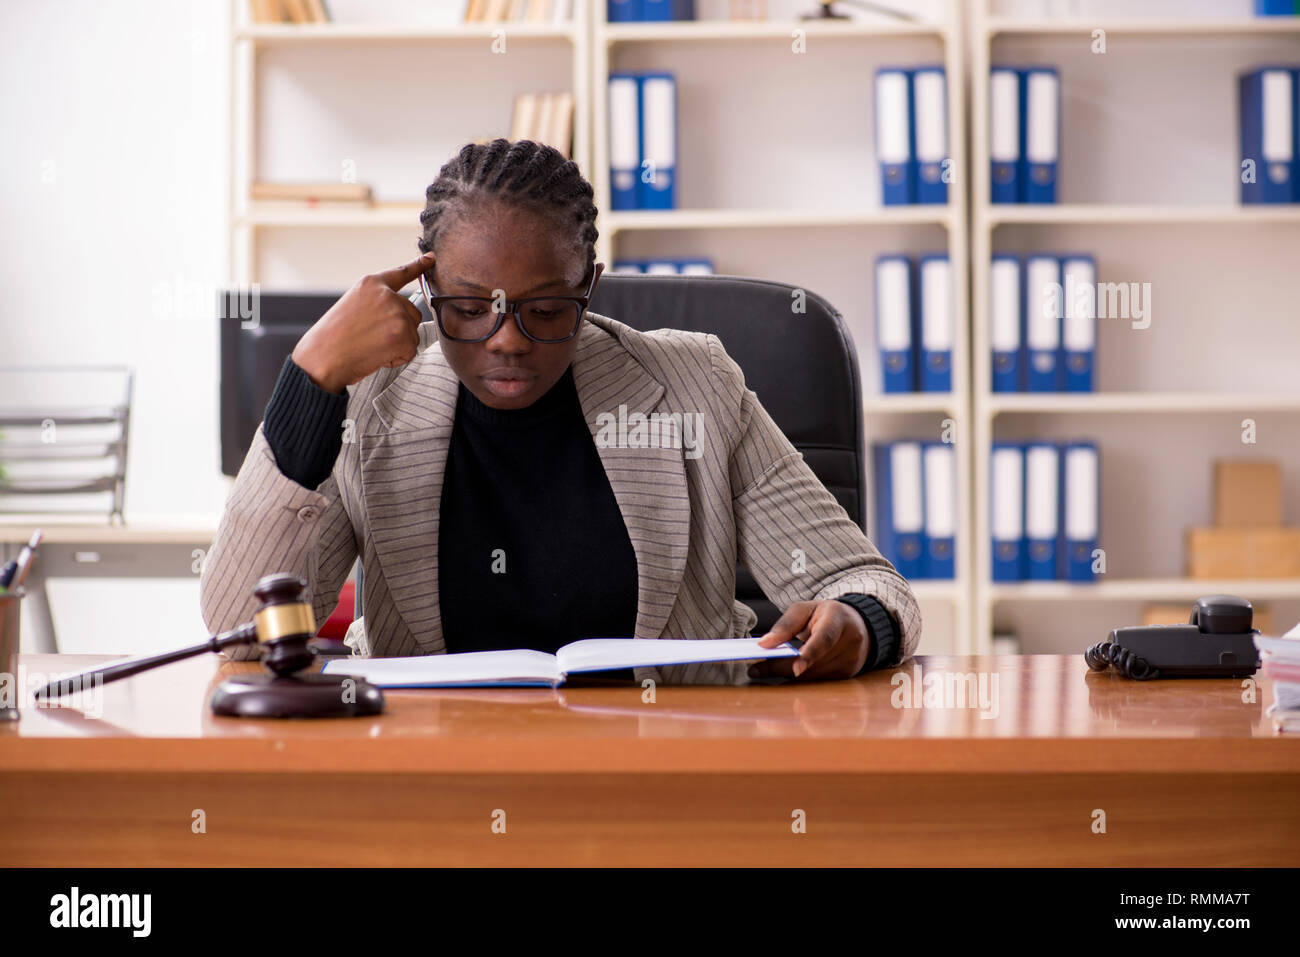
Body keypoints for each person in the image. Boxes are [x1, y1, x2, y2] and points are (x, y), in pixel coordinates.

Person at [200, 138, 921, 684]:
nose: (507, 339)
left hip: (672, 774)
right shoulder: (370, 398)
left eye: (546, 309)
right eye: (470, 307)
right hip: (431, 782)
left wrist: (859, 621)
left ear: (590, 287)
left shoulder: (697, 384)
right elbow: (242, 637)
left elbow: (868, 582)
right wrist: (311, 377)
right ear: (426, 289)